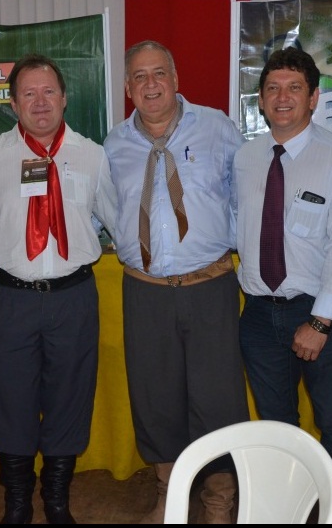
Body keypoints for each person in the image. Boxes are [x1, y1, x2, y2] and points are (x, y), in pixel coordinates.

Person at [103, 40, 249, 524]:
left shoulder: (217, 128)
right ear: (128, 87)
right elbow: (110, 210)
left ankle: (218, 501)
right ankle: (169, 495)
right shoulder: (113, 145)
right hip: (144, 291)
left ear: (176, 78)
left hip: (210, 287)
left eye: (159, 73)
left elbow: (244, 198)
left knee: (218, 400)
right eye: (139, 77)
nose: (150, 85)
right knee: (155, 399)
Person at [0, 53, 117, 525]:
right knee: (9, 399)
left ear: (64, 98)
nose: (40, 102)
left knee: (70, 398)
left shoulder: (92, 155)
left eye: (48, 91)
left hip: (74, 298)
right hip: (12, 299)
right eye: (29, 93)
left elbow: (116, 221)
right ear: (13, 104)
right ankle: (16, 503)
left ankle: (57, 501)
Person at [233, 46, 332, 524]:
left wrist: (321, 321)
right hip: (257, 313)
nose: (282, 97)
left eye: (294, 88)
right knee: (277, 429)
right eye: (272, 88)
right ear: (261, 100)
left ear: (313, 98)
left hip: (315, 312)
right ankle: (287, 513)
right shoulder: (246, 157)